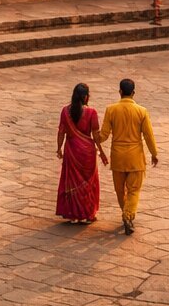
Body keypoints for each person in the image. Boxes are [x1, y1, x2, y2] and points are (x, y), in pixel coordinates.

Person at [98, 78, 158, 234]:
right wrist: (154, 153)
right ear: (133, 93)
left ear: (120, 92)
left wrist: (90, 134)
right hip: (135, 157)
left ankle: (126, 214)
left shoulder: (111, 110)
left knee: (120, 191)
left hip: (118, 157)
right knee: (134, 190)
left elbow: (103, 135)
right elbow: (148, 135)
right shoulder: (141, 111)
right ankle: (128, 215)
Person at [56, 83, 106, 224]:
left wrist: (59, 148)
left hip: (71, 150)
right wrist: (101, 152)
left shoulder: (65, 111)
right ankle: (86, 214)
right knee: (87, 183)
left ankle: (72, 214)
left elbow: (61, 132)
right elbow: (95, 134)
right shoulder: (91, 112)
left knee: (72, 180)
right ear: (85, 97)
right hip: (87, 153)